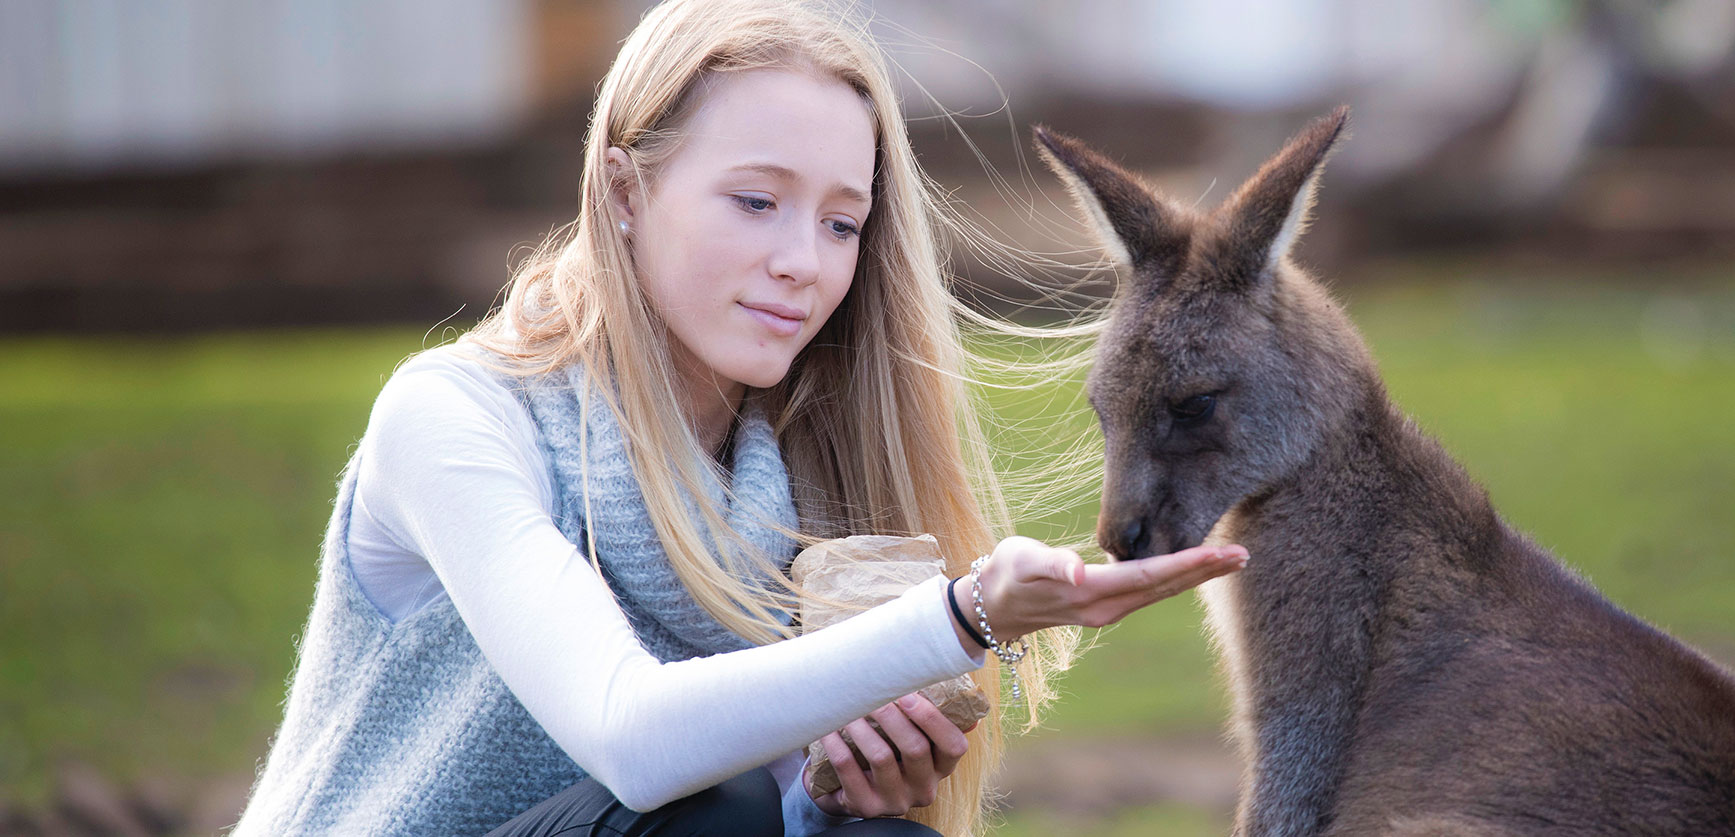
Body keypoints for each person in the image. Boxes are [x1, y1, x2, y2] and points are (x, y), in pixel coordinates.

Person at [230, 1, 1249, 835]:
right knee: (705, 812)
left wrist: (824, 799)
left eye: (840, 222)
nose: (803, 262)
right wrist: (959, 616)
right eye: (756, 202)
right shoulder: (456, 419)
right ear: (624, 191)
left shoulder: (800, 487)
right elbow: (634, 740)